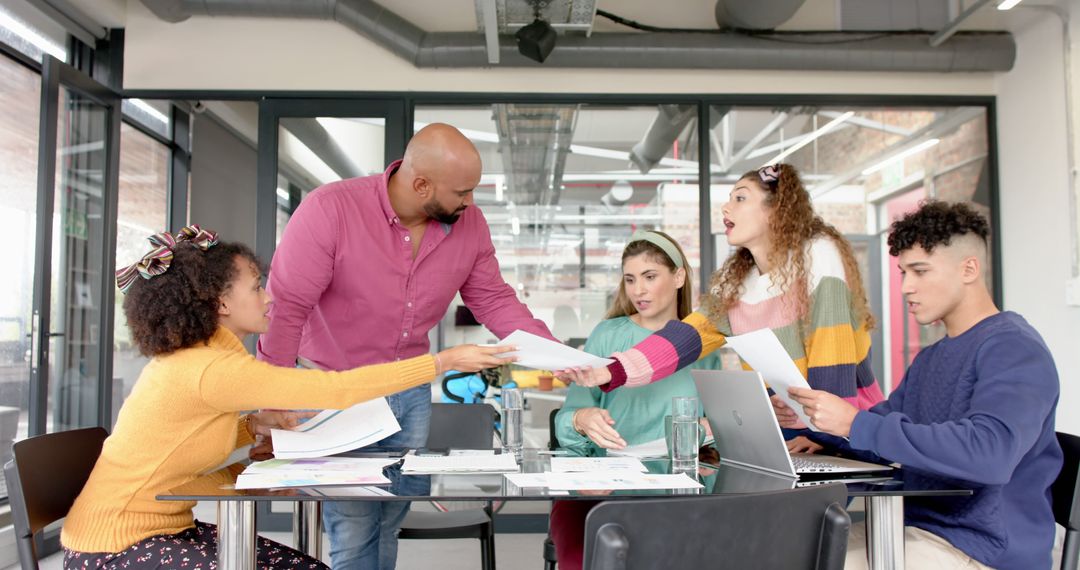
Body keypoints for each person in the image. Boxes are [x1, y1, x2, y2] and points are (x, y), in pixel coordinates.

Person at [60, 226, 512, 570]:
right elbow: (337, 390)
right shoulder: (212, 368)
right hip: (115, 546)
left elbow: (175, 460)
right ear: (220, 302)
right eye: (256, 286)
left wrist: (250, 432)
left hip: (163, 528)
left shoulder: (208, 359)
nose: (268, 296)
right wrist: (441, 362)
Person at [257, 123, 555, 569]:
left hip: (411, 391)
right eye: (462, 191)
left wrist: (552, 353)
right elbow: (286, 309)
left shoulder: (468, 224)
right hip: (341, 391)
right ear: (421, 185)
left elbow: (492, 298)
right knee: (355, 524)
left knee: (388, 518)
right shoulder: (331, 210)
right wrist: (271, 402)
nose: (470, 202)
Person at [783, 201, 1062, 570]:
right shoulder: (932, 357)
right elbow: (884, 435)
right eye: (903, 272)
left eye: (920, 271)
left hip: (981, 549)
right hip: (920, 529)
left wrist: (855, 424)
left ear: (969, 269)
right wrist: (814, 424)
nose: (906, 287)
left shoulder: (1014, 348)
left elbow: (989, 454)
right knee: (782, 549)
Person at [558, 163, 884, 454]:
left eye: (740, 198)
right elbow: (683, 339)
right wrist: (609, 371)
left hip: (843, 431)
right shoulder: (738, 283)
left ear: (777, 210)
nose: (726, 207)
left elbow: (834, 370)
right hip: (792, 430)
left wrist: (823, 433)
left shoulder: (819, 256)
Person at [549, 230, 721, 570]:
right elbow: (567, 421)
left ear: (679, 277)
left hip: (682, 489)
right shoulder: (607, 335)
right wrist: (580, 419)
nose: (638, 290)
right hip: (608, 487)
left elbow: (720, 430)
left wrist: (709, 431)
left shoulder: (704, 344)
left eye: (649, 277)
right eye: (630, 279)